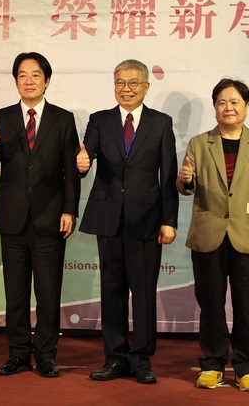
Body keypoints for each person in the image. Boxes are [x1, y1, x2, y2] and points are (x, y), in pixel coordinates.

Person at [76, 59, 178, 384]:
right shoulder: (100, 120)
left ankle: (142, 360)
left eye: (133, 83)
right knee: (112, 290)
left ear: (147, 86)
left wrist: (169, 220)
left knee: (144, 292)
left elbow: (168, 173)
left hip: (147, 220)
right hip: (109, 218)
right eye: (120, 82)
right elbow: (86, 155)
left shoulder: (161, 123)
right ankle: (115, 358)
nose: (126, 89)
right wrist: (81, 162)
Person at [0, 52, 80, 378]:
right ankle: (18, 354)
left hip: (51, 218)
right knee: (16, 292)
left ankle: (47, 355)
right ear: (15, 81)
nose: (28, 81)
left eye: (35, 75)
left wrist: (69, 210)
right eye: (22, 75)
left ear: (46, 80)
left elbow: (70, 171)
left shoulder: (63, 119)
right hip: (12, 219)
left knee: (49, 292)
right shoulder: (2, 117)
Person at [176, 78, 249, 392]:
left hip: (248, 234)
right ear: (215, 107)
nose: (228, 107)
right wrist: (184, 180)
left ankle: (246, 368)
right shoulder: (199, 142)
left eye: (235, 102)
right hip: (209, 234)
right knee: (210, 304)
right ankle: (212, 364)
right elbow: (186, 187)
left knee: (247, 306)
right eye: (222, 102)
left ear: (246, 107)